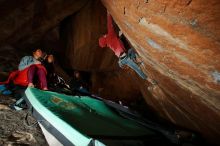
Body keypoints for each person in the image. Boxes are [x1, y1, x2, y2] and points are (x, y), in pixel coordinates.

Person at [99, 13, 147, 79]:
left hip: (123, 58)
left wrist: (119, 36)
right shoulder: (109, 36)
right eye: (103, 36)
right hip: (124, 58)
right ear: (104, 38)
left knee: (131, 50)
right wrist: (108, 14)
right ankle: (146, 78)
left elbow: (116, 43)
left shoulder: (109, 43)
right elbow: (109, 25)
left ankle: (134, 60)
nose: (104, 35)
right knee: (136, 68)